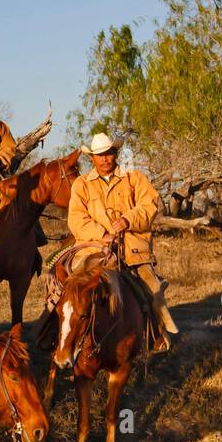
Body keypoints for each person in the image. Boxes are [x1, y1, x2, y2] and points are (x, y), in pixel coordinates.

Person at [39, 132, 178, 351]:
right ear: (92, 158)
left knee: (152, 288)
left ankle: (160, 332)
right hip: (94, 248)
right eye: (99, 155)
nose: (104, 159)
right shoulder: (82, 184)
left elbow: (150, 205)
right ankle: (50, 331)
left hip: (132, 248)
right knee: (69, 285)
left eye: (108, 154)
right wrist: (101, 233)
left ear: (115, 154)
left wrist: (127, 220)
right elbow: (76, 219)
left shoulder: (135, 179)